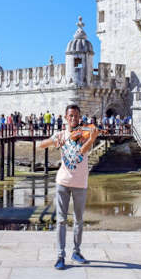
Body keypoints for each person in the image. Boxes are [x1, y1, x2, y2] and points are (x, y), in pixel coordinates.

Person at [39, 104, 99, 270]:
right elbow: (41, 145)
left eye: (76, 116)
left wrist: (92, 138)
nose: (73, 119)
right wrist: (53, 141)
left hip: (80, 183)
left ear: (79, 118)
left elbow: (82, 152)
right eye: (70, 116)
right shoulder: (61, 135)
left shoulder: (85, 135)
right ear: (66, 117)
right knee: (61, 220)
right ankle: (60, 255)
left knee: (79, 221)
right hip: (63, 182)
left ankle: (76, 252)